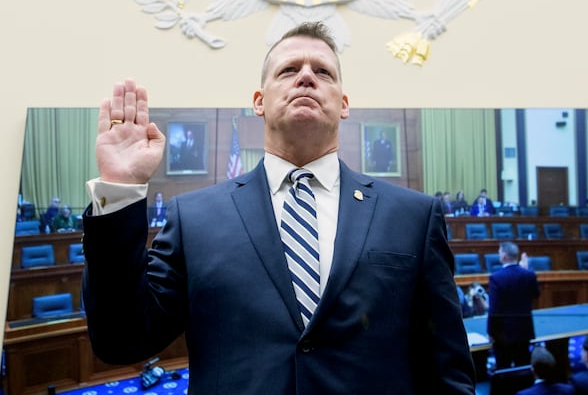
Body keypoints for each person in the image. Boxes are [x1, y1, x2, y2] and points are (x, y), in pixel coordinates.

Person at [81, 22, 476, 394]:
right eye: (289, 70)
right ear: (258, 101)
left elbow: (448, 369)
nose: (307, 76)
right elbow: (121, 340)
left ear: (344, 104)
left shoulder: (413, 216)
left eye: (323, 71)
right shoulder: (194, 219)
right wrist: (120, 188)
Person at [487, 241, 540, 369]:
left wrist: (491, 332)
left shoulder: (496, 277)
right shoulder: (529, 274)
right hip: (524, 331)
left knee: (503, 368)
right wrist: (526, 270)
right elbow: (536, 294)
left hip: (503, 335)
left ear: (504, 256)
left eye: (499, 253)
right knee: (523, 366)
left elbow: (494, 310)